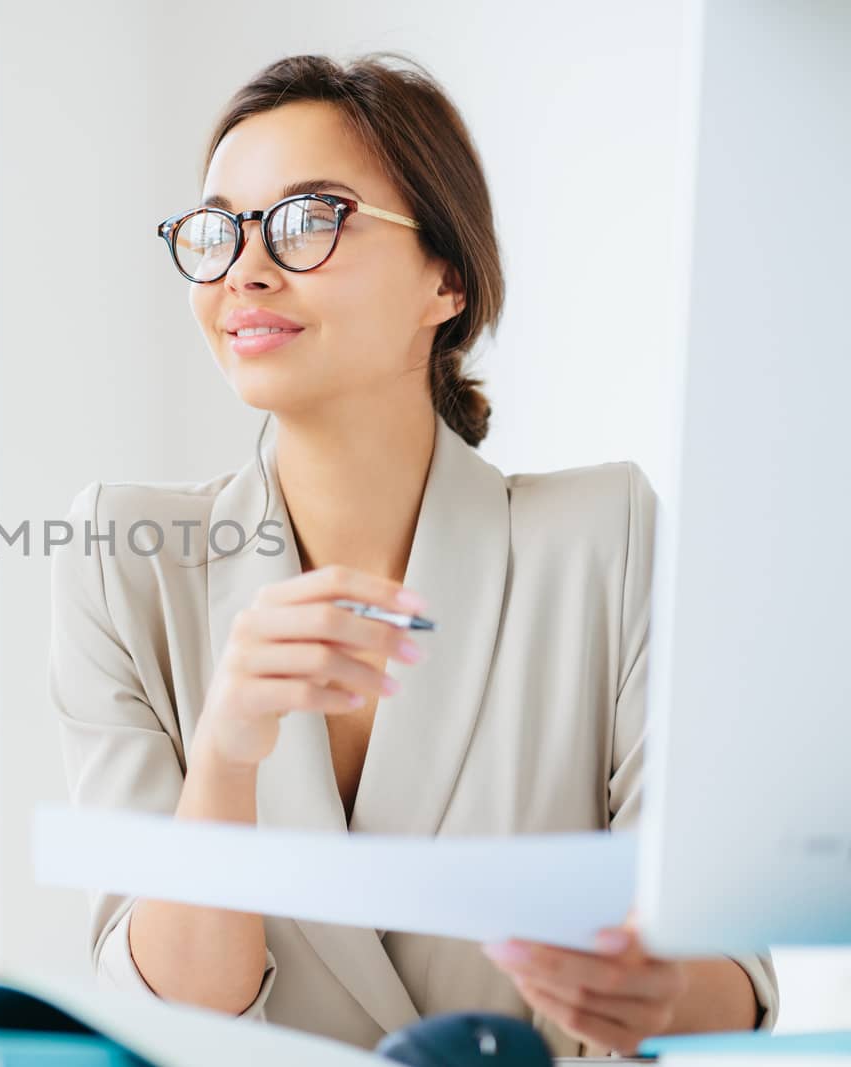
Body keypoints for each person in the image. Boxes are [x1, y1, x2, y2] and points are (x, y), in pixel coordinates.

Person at [45, 53, 777, 1058]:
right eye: (216, 233)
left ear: (447, 276)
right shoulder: (124, 559)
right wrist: (225, 750)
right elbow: (171, 1005)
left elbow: (732, 973)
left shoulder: (607, 535)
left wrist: (649, 988)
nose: (245, 270)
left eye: (310, 219)